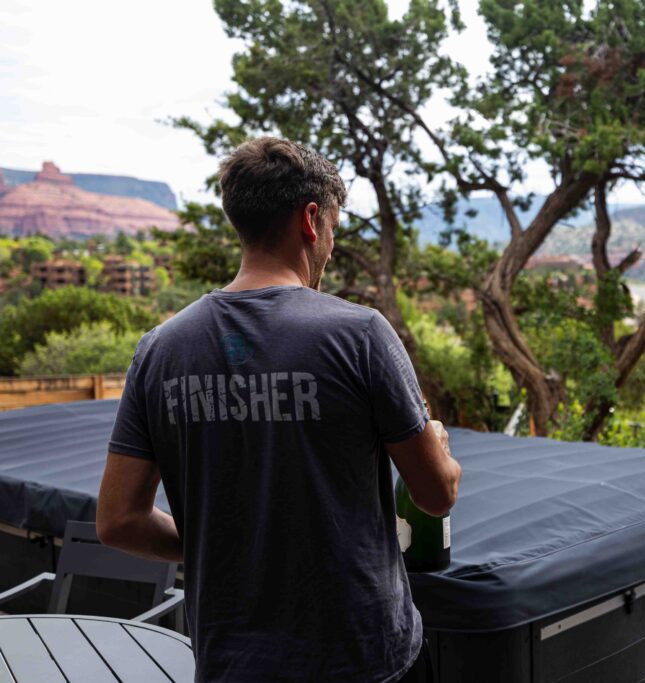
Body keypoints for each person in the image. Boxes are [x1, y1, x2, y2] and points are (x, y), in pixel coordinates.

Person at [96, 136, 461, 683]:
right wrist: (438, 447)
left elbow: (118, 521)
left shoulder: (159, 350)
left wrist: (226, 544)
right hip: (365, 660)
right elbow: (434, 497)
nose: (332, 246)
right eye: (334, 228)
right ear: (310, 221)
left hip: (230, 665)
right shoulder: (360, 335)